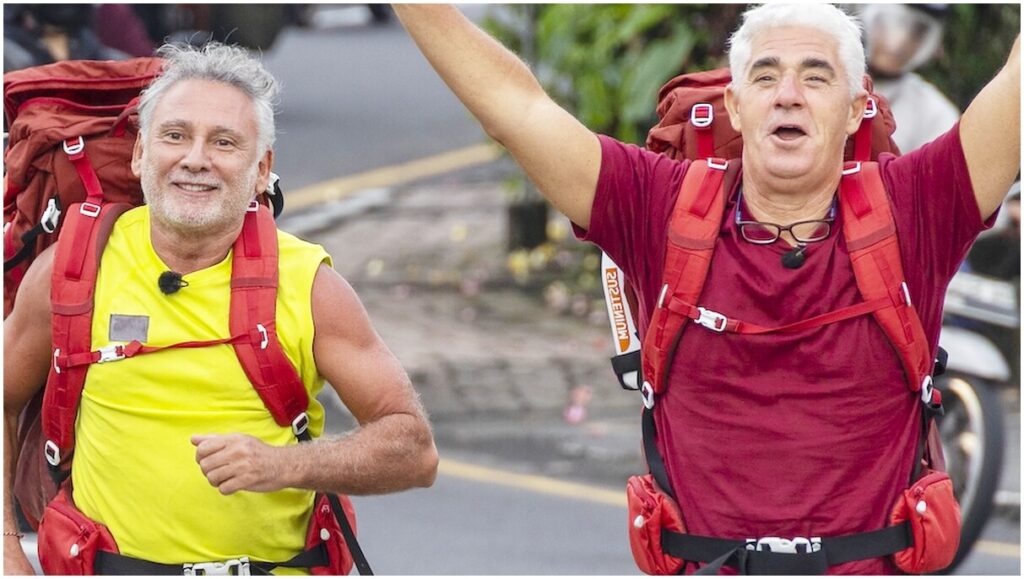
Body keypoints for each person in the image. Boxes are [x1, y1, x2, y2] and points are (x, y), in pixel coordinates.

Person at [396, 3, 1019, 574]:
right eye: (766, 76)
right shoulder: (658, 207)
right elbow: (516, 109)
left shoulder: (916, 208)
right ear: (737, 106)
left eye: (816, 77)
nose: (789, 95)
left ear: (857, 108)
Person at [3, 42, 438, 574]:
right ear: (140, 153)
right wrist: (7, 551)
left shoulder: (310, 286)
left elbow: (414, 449)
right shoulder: (73, 270)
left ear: (261, 170)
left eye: (224, 142)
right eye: (174, 135)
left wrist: (284, 465)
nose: (195, 159)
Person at [860, 4, 961, 152]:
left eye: (918, 31)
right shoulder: (830, 78)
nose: (900, 40)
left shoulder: (936, 115)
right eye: (893, 22)